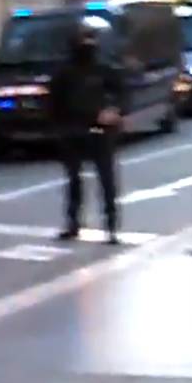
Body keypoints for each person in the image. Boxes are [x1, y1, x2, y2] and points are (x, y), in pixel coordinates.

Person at [48, 22, 124, 244]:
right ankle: (74, 223)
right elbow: (55, 103)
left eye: (90, 39)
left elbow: (121, 92)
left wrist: (115, 111)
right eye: (84, 39)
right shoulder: (65, 72)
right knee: (75, 180)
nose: (88, 44)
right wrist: (59, 129)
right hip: (74, 130)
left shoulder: (102, 68)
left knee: (106, 181)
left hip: (99, 131)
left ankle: (110, 226)